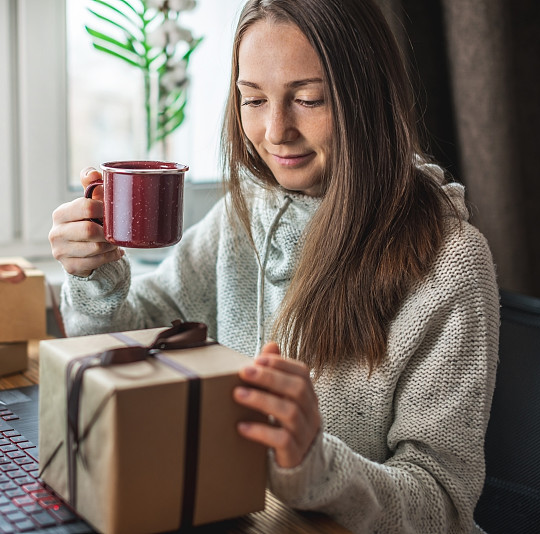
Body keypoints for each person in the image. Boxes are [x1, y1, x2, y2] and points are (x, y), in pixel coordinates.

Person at [48, 0, 500, 532]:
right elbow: (133, 337)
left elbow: (442, 507)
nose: (275, 130)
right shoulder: (247, 213)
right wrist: (93, 275)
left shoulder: (452, 264)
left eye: (308, 99)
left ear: (369, 100)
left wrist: (314, 462)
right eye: (253, 99)